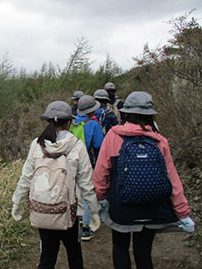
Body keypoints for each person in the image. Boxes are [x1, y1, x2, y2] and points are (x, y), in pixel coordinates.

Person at [93, 91, 195, 269]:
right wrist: (182, 212)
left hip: (122, 207)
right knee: (143, 252)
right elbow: (172, 178)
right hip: (152, 208)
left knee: (120, 247)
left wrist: (101, 198)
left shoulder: (113, 136)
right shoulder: (159, 140)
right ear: (150, 115)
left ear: (126, 113)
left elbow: (101, 172)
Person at [12, 101, 100, 269]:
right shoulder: (77, 146)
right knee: (74, 254)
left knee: (47, 255)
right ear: (69, 122)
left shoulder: (37, 144)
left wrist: (17, 201)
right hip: (71, 213)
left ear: (48, 122)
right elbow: (86, 183)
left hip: (43, 210)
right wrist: (94, 211)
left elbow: (26, 177)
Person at [74, 95, 105, 241]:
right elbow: (99, 145)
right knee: (87, 193)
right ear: (93, 110)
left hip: (70, 163)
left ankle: (74, 222)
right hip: (87, 162)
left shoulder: (71, 122)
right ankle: (86, 228)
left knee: (74, 192)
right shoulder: (93, 124)